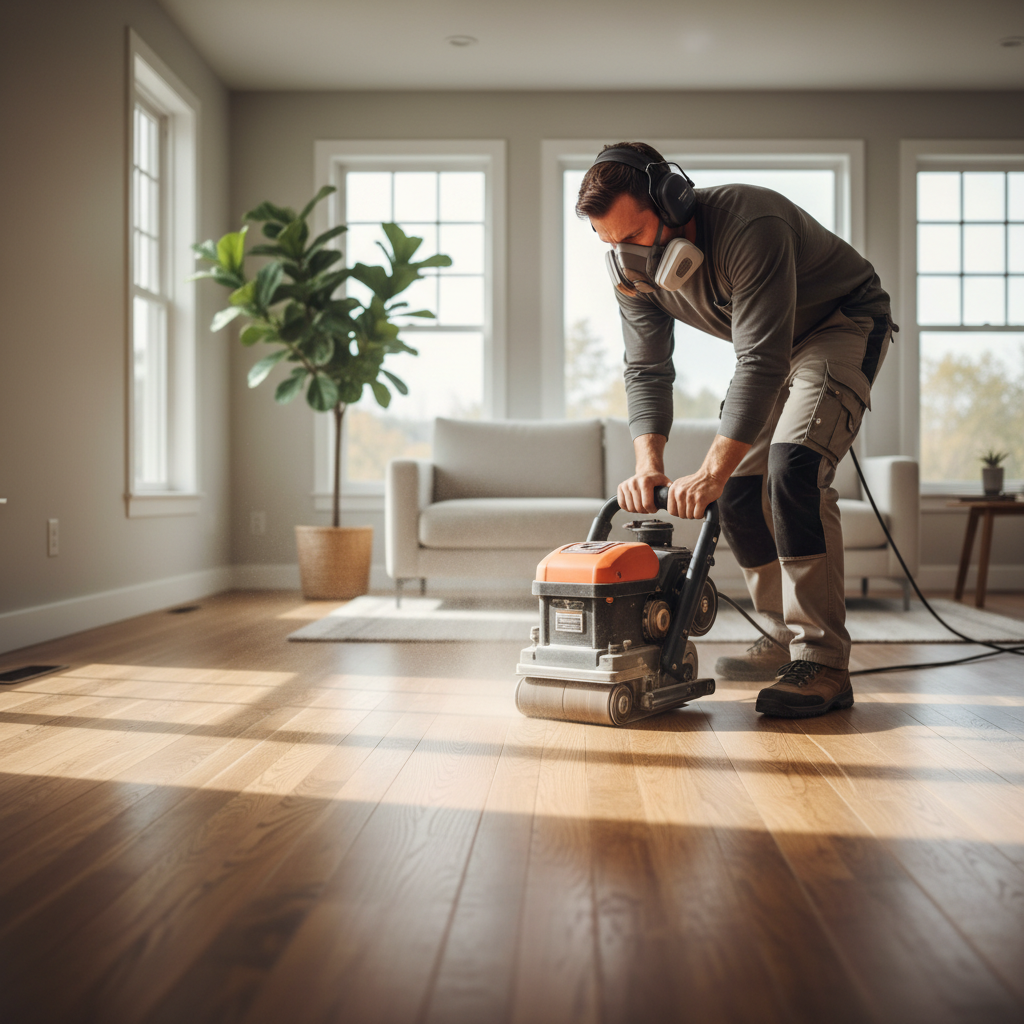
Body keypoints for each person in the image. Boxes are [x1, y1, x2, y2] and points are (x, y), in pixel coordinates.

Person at [577, 141, 896, 718]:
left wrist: (709, 468)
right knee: (741, 489)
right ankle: (778, 635)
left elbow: (759, 360)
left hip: (840, 322)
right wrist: (650, 463)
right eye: (612, 243)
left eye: (636, 236)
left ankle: (823, 660)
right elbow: (647, 368)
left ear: (673, 200)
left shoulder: (752, 223)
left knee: (794, 467)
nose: (630, 257)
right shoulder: (632, 272)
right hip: (772, 349)